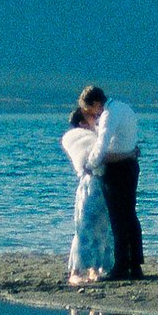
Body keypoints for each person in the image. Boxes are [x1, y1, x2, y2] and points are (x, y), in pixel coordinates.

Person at [82, 85, 143, 279]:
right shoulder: (125, 108)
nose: (92, 114)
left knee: (118, 218)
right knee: (130, 215)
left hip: (118, 169)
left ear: (97, 103)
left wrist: (90, 164)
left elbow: (102, 144)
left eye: (90, 109)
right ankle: (135, 264)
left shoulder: (109, 114)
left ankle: (121, 265)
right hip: (131, 164)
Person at [60, 105, 114, 285]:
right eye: (92, 116)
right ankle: (77, 271)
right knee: (86, 226)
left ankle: (96, 268)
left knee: (102, 228)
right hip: (91, 184)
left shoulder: (97, 136)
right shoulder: (78, 137)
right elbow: (90, 158)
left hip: (101, 184)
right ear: (83, 122)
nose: (96, 118)